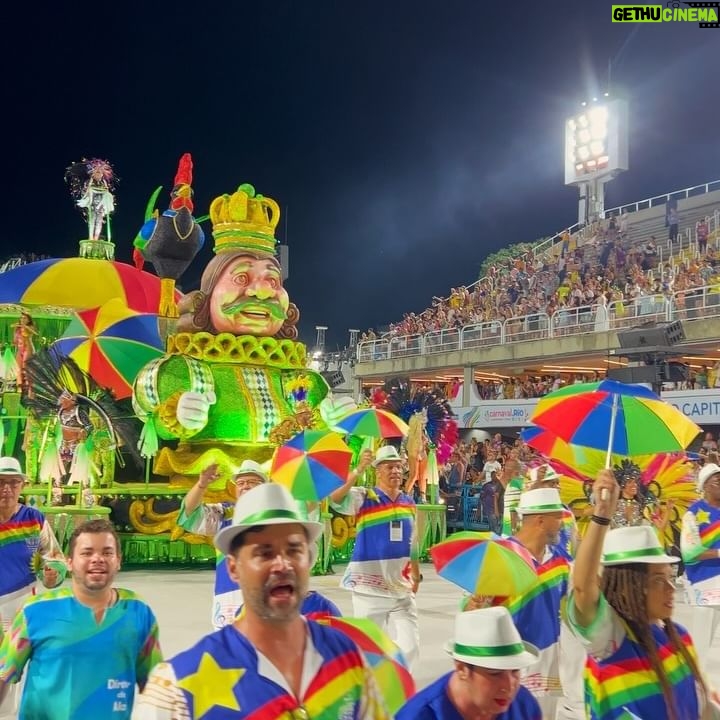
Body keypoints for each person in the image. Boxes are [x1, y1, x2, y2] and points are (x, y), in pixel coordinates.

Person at [133, 483, 390, 719]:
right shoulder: (177, 688)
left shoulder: (347, 656)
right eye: (264, 553)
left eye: (294, 550)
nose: (282, 564)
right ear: (233, 568)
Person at [567, 470, 716, 719]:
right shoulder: (610, 641)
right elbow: (583, 587)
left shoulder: (679, 637)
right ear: (627, 585)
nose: (670, 588)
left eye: (670, 577)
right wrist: (602, 515)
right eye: (658, 580)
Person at [0, 518, 162, 720]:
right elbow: (3, 674)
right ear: (69, 562)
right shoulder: (35, 611)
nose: (97, 559)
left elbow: (154, 685)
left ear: (119, 560)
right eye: (87, 553)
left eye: (107, 552)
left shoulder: (138, 612)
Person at [330, 445, 421, 671]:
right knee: (367, 649)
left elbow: (414, 541)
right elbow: (335, 498)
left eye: (399, 467)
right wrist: (359, 468)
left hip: (401, 586)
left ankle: (396, 682)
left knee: (411, 646)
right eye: (390, 467)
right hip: (368, 589)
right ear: (377, 471)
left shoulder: (408, 502)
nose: (396, 471)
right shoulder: (363, 497)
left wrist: (416, 572)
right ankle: (374, 691)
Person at [0, 456, 65, 719]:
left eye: (13, 483)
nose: (7, 489)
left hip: (22, 609)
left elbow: (55, 558)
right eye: (1, 482)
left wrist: (52, 575)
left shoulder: (34, 519)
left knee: (10, 672)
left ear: (22, 486)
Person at [396, 606, 541, 720]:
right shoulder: (419, 716)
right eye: (495, 673)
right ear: (461, 669)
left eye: (515, 671)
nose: (509, 686)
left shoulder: (524, 705)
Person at [177, 459, 268, 629]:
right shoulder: (225, 513)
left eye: (252, 482)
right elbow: (189, 516)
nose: (245, 486)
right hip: (229, 598)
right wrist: (201, 485)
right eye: (240, 482)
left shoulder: (276, 517)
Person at [680, 461, 720, 672]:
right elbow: (689, 553)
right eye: (717, 480)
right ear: (705, 485)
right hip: (703, 586)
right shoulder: (693, 513)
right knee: (700, 647)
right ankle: (695, 689)